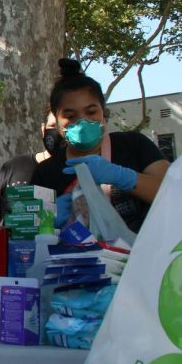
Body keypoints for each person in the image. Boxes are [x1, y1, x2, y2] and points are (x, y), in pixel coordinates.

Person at [31, 59, 169, 234]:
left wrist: (123, 177)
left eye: (91, 112)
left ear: (103, 112)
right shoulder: (45, 172)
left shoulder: (134, 145)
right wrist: (47, 220)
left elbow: (172, 194)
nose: (82, 121)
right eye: (70, 115)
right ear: (56, 121)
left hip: (145, 256)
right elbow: (29, 231)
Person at [0, 111, 60, 224]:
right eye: (53, 126)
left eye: (63, 126)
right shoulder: (14, 167)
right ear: (43, 129)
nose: (59, 132)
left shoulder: (82, 171)